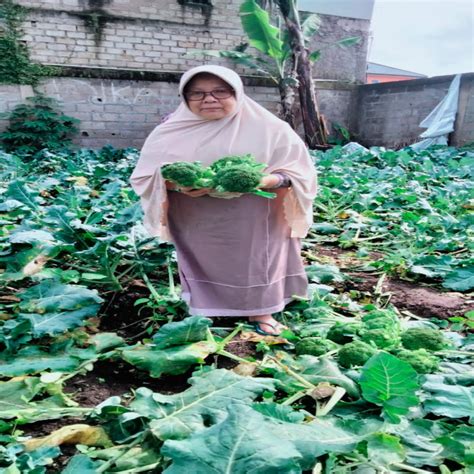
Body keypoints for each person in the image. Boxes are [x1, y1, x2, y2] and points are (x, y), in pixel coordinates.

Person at [130, 65, 317, 335]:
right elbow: (147, 175)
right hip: (195, 214)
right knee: (203, 258)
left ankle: (260, 311)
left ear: (237, 93)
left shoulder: (270, 128)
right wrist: (182, 185)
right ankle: (207, 308)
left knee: (257, 261)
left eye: (220, 91)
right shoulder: (169, 132)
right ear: (185, 98)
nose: (209, 99)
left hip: (255, 214)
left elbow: (296, 173)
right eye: (197, 93)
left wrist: (261, 181)